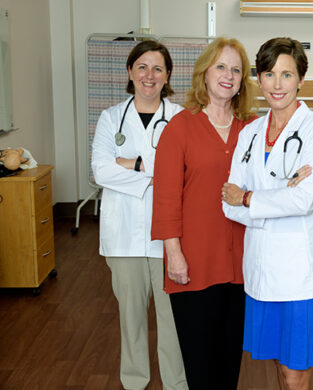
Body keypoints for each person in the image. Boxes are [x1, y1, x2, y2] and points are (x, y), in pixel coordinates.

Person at [222, 37, 313, 390]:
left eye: (286, 75)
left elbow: (304, 202)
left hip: (300, 275)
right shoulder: (250, 133)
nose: (277, 84)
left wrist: (249, 199)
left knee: (295, 371)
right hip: (261, 271)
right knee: (277, 362)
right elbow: (227, 202)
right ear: (258, 78)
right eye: (269, 74)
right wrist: (274, 197)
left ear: (300, 79)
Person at [151, 37, 256, 390]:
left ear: (244, 79)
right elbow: (165, 200)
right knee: (200, 362)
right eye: (221, 67)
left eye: (236, 69)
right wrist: (174, 256)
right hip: (194, 262)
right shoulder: (179, 127)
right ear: (205, 74)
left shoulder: (252, 128)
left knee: (229, 360)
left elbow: (278, 173)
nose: (228, 75)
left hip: (243, 263)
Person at [91, 40, 187, 390]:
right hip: (124, 235)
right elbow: (100, 171)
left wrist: (126, 166)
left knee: (172, 319)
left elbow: (185, 172)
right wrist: (149, 166)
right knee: (130, 318)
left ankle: (177, 383)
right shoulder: (110, 117)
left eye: (158, 68)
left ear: (167, 76)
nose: (149, 75)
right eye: (142, 67)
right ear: (130, 72)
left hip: (170, 238)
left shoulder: (180, 118)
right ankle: (134, 382)